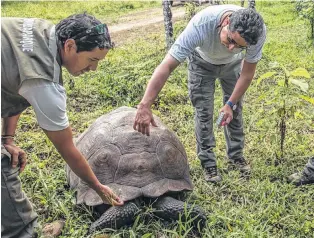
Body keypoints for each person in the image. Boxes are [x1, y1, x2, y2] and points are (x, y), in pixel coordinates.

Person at [1, 13, 124, 238]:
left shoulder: (45, 32)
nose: (93, 69)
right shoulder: (44, 82)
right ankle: (22, 232)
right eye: (92, 60)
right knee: (2, 168)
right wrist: (98, 187)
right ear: (70, 45)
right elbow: (67, 149)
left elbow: (15, 83)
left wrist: (6, 139)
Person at [133, 5, 266, 183]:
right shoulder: (202, 24)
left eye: (239, 47)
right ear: (226, 22)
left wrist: (230, 104)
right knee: (204, 113)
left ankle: (236, 157)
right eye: (230, 39)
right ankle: (208, 163)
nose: (231, 48)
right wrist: (145, 104)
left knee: (236, 110)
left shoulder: (257, 33)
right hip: (202, 64)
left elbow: (248, 73)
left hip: (233, 66)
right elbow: (167, 66)